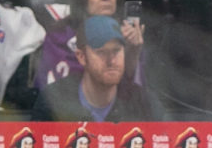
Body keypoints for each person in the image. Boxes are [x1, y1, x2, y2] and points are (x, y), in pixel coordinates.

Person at [35, 0, 145, 91]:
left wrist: (133, 52)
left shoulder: (127, 36)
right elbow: (47, 89)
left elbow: (133, 93)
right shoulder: (59, 35)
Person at [31, 15, 159, 122]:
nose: (111, 60)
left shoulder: (143, 102)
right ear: (81, 57)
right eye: (101, 52)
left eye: (116, 50)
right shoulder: (53, 100)